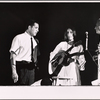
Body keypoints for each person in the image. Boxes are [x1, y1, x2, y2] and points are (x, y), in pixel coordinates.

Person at [9, 19, 40, 85]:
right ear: (29, 27)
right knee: (21, 91)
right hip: (21, 68)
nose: (37, 30)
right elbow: (12, 54)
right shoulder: (19, 38)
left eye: (38, 28)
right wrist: (14, 71)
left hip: (31, 70)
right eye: (36, 28)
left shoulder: (35, 41)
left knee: (30, 92)